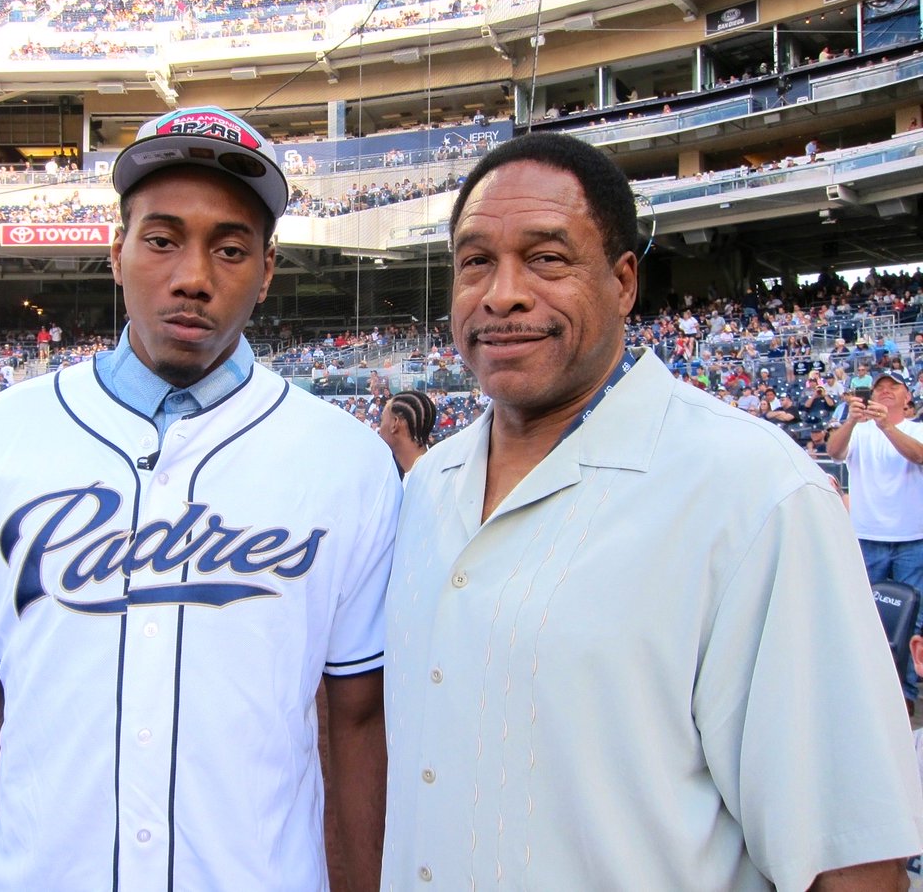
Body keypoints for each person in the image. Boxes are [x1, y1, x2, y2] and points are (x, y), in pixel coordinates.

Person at [381, 132, 923, 889]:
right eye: (476, 261)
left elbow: (852, 853)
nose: (502, 293)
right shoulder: (427, 482)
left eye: (547, 258)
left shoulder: (755, 490)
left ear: (624, 281)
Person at [0, 106, 401, 891]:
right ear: (116, 252)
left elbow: (358, 720)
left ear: (265, 272)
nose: (193, 276)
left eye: (230, 249)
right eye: (161, 239)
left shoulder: (349, 462)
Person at [827, 369, 923, 705]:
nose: (884, 391)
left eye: (892, 387)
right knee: (866, 616)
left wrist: (885, 426)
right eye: (879, 387)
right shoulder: (860, 432)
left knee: (914, 619)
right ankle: (869, 691)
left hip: (912, 539)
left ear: (906, 396)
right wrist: (852, 421)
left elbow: (918, 455)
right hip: (867, 537)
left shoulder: (916, 428)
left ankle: (907, 694)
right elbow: (834, 451)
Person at [377, 390, 436, 478]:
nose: (379, 430)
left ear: (394, 424)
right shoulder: (432, 468)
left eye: (381, 420)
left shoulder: (422, 481)